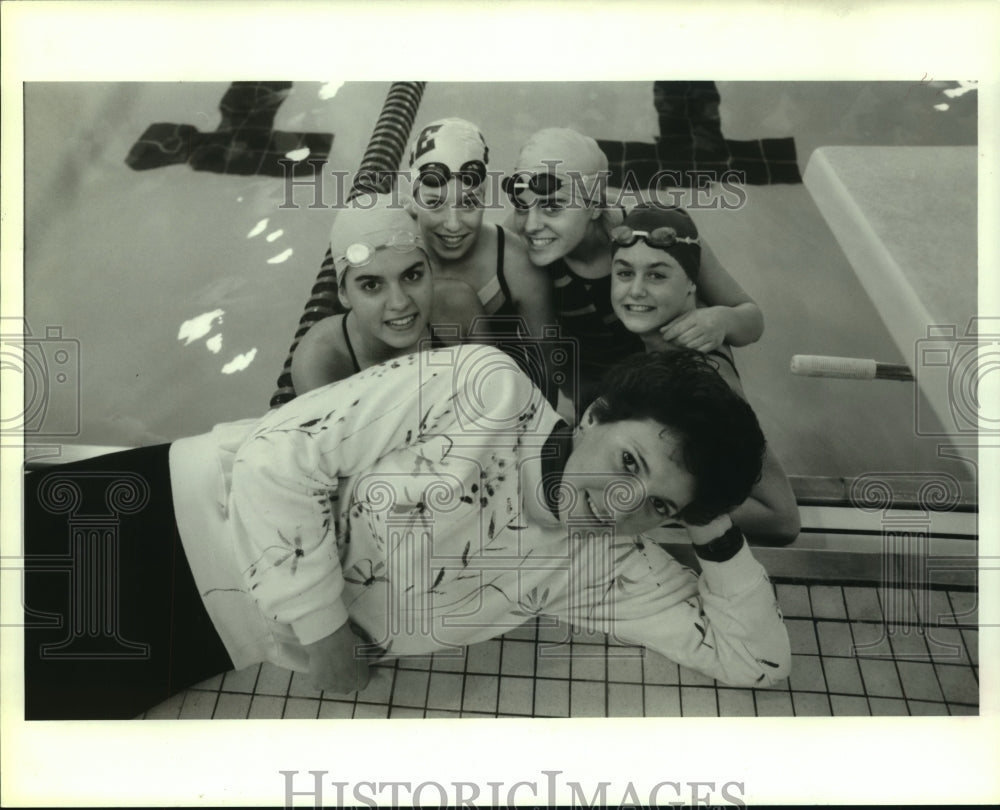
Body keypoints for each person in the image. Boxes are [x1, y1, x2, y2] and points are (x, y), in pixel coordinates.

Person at [24, 345, 789, 719]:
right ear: (592, 417)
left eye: (659, 505)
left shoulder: (606, 564)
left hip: (202, 641)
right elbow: (275, 458)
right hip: (137, 518)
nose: (623, 504)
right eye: (628, 461)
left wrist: (714, 533)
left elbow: (755, 661)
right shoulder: (487, 392)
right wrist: (326, 634)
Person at [504, 127, 764, 410]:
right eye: (521, 207)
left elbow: (752, 320)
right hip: (589, 388)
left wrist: (721, 321)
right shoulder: (518, 241)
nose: (531, 225)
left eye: (552, 208)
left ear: (594, 206)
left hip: (669, 367)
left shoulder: (654, 234)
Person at [609, 204, 800, 544]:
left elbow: (780, 516)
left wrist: (660, 508)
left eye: (657, 275)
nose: (636, 290)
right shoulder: (660, 341)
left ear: (692, 284)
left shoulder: (704, 377)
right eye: (624, 273)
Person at [405, 117, 571, 418]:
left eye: (469, 204)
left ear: (484, 200)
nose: (453, 225)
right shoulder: (395, 253)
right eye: (435, 204)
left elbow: (547, 366)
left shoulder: (515, 264)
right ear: (413, 201)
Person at [291, 195, 475, 394]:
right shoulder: (321, 361)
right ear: (343, 294)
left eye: (412, 276)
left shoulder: (459, 307)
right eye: (371, 285)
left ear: (431, 272)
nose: (399, 302)